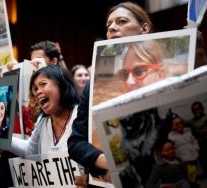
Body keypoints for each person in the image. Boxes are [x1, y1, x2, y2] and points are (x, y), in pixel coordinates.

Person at [68, 2, 154, 186]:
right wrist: (111, 165)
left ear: (144, 28)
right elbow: (76, 143)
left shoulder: (166, 75)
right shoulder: (95, 85)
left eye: (121, 21)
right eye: (109, 25)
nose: (112, 28)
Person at [0, 65, 80, 156]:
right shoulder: (42, 120)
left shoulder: (81, 115)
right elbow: (30, 150)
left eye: (43, 84)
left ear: (62, 85)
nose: (38, 92)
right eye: (35, 89)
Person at [168, 114, 199, 187]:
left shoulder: (188, 132)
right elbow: (172, 148)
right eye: (176, 124)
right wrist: (176, 156)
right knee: (188, 171)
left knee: (194, 170)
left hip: (193, 155)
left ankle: (193, 181)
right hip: (183, 158)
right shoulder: (171, 137)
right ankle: (190, 183)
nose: (179, 126)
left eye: (180, 123)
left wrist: (196, 147)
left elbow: (194, 141)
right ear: (172, 126)